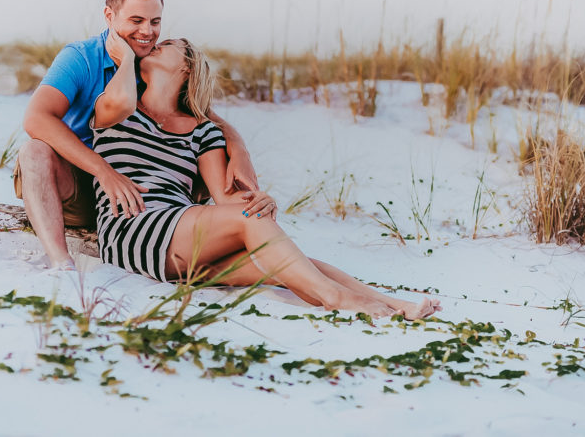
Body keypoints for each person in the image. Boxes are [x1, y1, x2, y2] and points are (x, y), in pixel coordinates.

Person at [90, 37, 441, 319]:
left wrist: (260, 200)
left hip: (182, 248)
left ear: (186, 65)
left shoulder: (203, 132)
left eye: (166, 45)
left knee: (286, 264)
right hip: (132, 228)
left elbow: (228, 201)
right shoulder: (118, 110)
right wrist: (124, 56)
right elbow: (120, 93)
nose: (153, 44)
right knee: (263, 236)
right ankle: (335, 298)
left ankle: (395, 304)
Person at [14, 0, 257, 269]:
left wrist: (239, 149)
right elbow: (36, 118)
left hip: (137, 194)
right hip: (77, 184)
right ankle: (60, 261)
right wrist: (103, 171)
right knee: (34, 151)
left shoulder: (153, 64)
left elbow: (205, 116)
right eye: (136, 20)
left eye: (155, 22)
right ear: (109, 15)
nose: (147, 32)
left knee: (197, 149)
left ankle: (194, 231)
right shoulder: (80, 57)